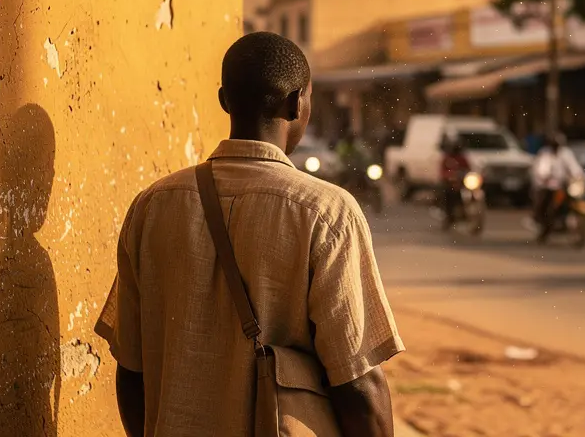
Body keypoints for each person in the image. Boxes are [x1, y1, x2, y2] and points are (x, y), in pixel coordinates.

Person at [95, 32, 403, 437]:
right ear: (297, 103)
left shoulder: (151, 206)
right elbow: (359, 385)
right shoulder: (326, 213)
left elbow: (131, 372)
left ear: (224, 100)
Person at [531, 133, 585, 231]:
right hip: (549, 185)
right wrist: (544, 176)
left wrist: (579, 175)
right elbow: (542, 168)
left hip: (564, 184)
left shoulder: (566, 153)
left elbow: (574, 166)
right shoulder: (545, 153)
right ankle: (543, 220)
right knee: (545, 201)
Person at [439, 137, 471, 227]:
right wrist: (449, 176)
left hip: (462, 182)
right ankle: (448, 215)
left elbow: (469, 169)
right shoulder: (447, 159)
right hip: (450, 183)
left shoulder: (463, 159)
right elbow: (442, 172)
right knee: (447, 193)